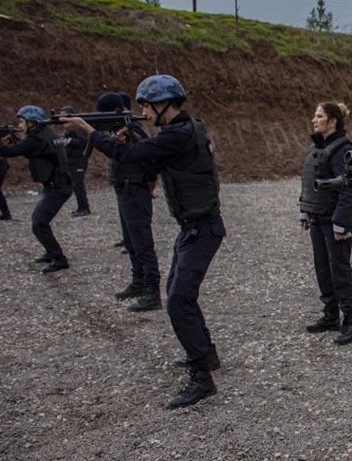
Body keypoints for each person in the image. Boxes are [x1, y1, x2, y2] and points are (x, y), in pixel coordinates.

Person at [61, 74, 225, 409]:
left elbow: (130, 155)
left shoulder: (177, 134)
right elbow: (149, 158)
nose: (145, 111)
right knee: (178, 294)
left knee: (178, 299)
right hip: (194, 227)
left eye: (148, 105)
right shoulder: (184, 129)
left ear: (166, 103)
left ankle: (201, 377)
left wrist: (89, 131)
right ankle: (205, 356)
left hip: (201, 228)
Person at [299, 102, 352, 346]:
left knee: (340, 271)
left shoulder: (344, 150)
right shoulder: (317, 147)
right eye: (315, 115)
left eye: (319, 116)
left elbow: (351, 191)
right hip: (317, 218)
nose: (314, 120)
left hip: (334, 223)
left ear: (333, 121)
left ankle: (350, 322)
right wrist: (304, 211)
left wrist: (341, 223)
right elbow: (309, 181)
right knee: (323, 269)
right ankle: (330, 315)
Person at [0, 105, 72, 273]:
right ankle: (50, 252)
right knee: (38, 218)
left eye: (22, 121)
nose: (20, 125)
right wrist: (13, 140)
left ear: (32, 122)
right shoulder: (45, 134)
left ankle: (59, 258)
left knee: (39, 223)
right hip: (58, 184)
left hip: (57, 186)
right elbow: (30, 150)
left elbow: (7, 152)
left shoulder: (36, 139)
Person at [94, 92, 161, 312]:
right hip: (125, 190)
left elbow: (151, 163)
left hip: (135, 190)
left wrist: (150, 187)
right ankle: (139, 282)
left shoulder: (133, 132)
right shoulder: (121, 131)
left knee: (143, 244)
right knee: (132, 243)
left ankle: (152, 292)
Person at [59, 106, 92, 217]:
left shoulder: (77, 128)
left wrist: (69, 141)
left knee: (78, 184)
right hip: (72, 160)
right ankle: (81, 207)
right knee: (75, 184)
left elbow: (85, 141)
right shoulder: (68, 129)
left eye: (64, 115)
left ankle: (84, 208)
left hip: (79, 159)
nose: (61, 118)